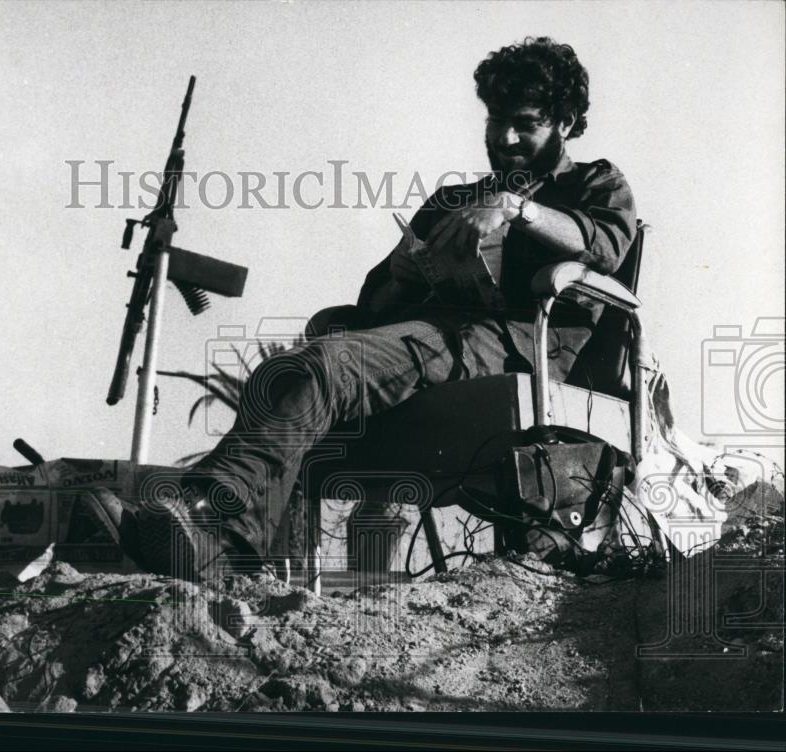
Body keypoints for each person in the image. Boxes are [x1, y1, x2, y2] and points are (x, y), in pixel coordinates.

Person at [126, 36, 638, 583]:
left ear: (564, 122)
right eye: (496, 121)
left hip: (520, 343)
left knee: (323, 368)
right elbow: (375, 303)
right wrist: (408, 272)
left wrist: (515, 209)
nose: (506, 137)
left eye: (526, 123)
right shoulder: (453, 202)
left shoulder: (594, 184)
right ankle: (241, 549)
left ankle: (215, 522)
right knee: (301, 360)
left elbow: (603, 245)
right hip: (435, 335)